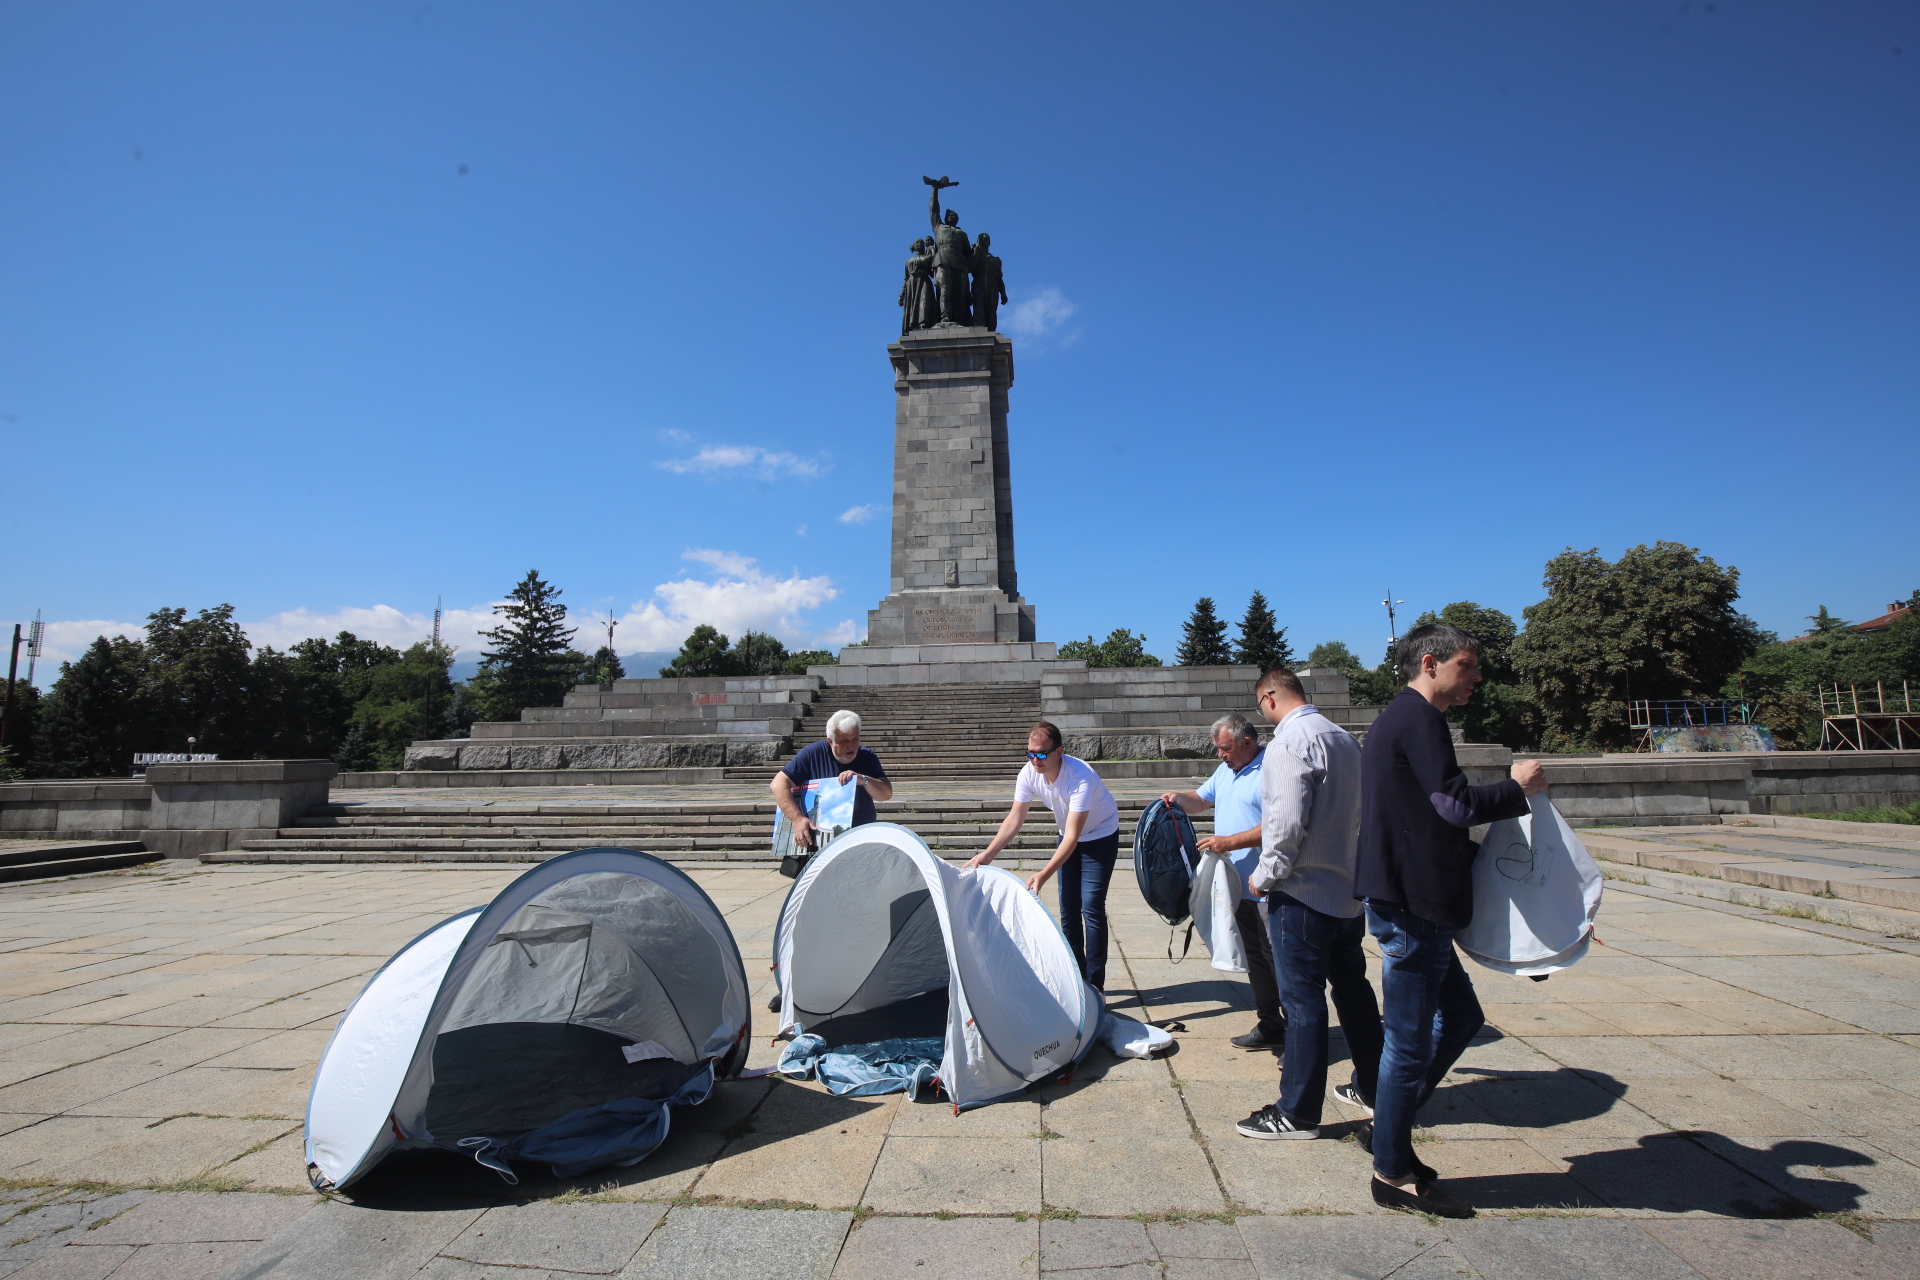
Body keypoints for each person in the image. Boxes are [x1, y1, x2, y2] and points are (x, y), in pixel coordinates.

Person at [1355, 624, 1546, 1219]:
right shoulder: (1417, 717)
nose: (1477, 677)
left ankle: (1389, 1131)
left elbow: (1429, 810)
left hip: (1413, 899)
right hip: (1413, 905)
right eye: (1469, 665)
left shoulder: (1404, 718)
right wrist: (1515, 788)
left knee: (1461, 1017)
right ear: (1431, 663)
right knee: (1409, 1043)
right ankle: (1391, 1169)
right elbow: (1454, 804)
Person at [1232, 667, 1382, 1145]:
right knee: (1355, 995)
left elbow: (1285, 823)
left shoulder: (1288, 744)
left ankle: (1297, 1111)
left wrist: (1265, 875)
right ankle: (1375, 1086)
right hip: (1345, 893)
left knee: (1303, 1003)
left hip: (1301, 894)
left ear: (1271, 697)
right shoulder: (1343, 739)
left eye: (1261, 706)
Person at [1160, 714, 1284, 1049]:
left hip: (1268, 886)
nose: (1220, 755)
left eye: (1225, 748)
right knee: (1256, 959)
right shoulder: (1226, 770)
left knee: (1280, 964)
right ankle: (1270, 1023)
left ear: (1247, 743)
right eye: (1217, 749)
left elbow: (1280, 824)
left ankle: (1300, 1038)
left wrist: (1228, 843)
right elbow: (1201, 800)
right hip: (1236, 886)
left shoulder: (1272, 767)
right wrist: (1177, 799)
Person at [966, 721, 1121, 989]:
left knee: (1091, 906)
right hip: (1069, 837)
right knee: (1068, 911)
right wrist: (988, 854)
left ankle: (1095, 985)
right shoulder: (1029, 773)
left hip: (1100, 836)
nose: (1034, 760)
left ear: (1059, 752)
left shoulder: (1080, 776)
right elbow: (1015, 818)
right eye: (1030, 753)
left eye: (1041, 754)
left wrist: (1044, 873)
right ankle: (1077, 981)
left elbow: (1074, 836)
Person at [772, 709, 894, 852]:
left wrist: (864, 780)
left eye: (855, 739)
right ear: (831, 741)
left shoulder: (867, 756)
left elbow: (886, 794)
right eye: (844, 741)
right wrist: (797, 819)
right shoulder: (813, 754)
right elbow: (778, 784)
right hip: (817, 846)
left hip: (860, 843)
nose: (851, 745)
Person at [970, 232, 1007, 332]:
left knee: (991, 311)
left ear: (989, 242)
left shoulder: (995, 260)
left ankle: (991, 332)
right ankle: (978, 331)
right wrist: (975, 253)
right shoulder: (974, 256)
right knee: (979, 309)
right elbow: (969, 268)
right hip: (978, 285)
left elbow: (999, 278)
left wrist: (1003, 293)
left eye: (985, 239)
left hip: (993, 287)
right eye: (981, 239)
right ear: (977, 241)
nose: (983, 240)